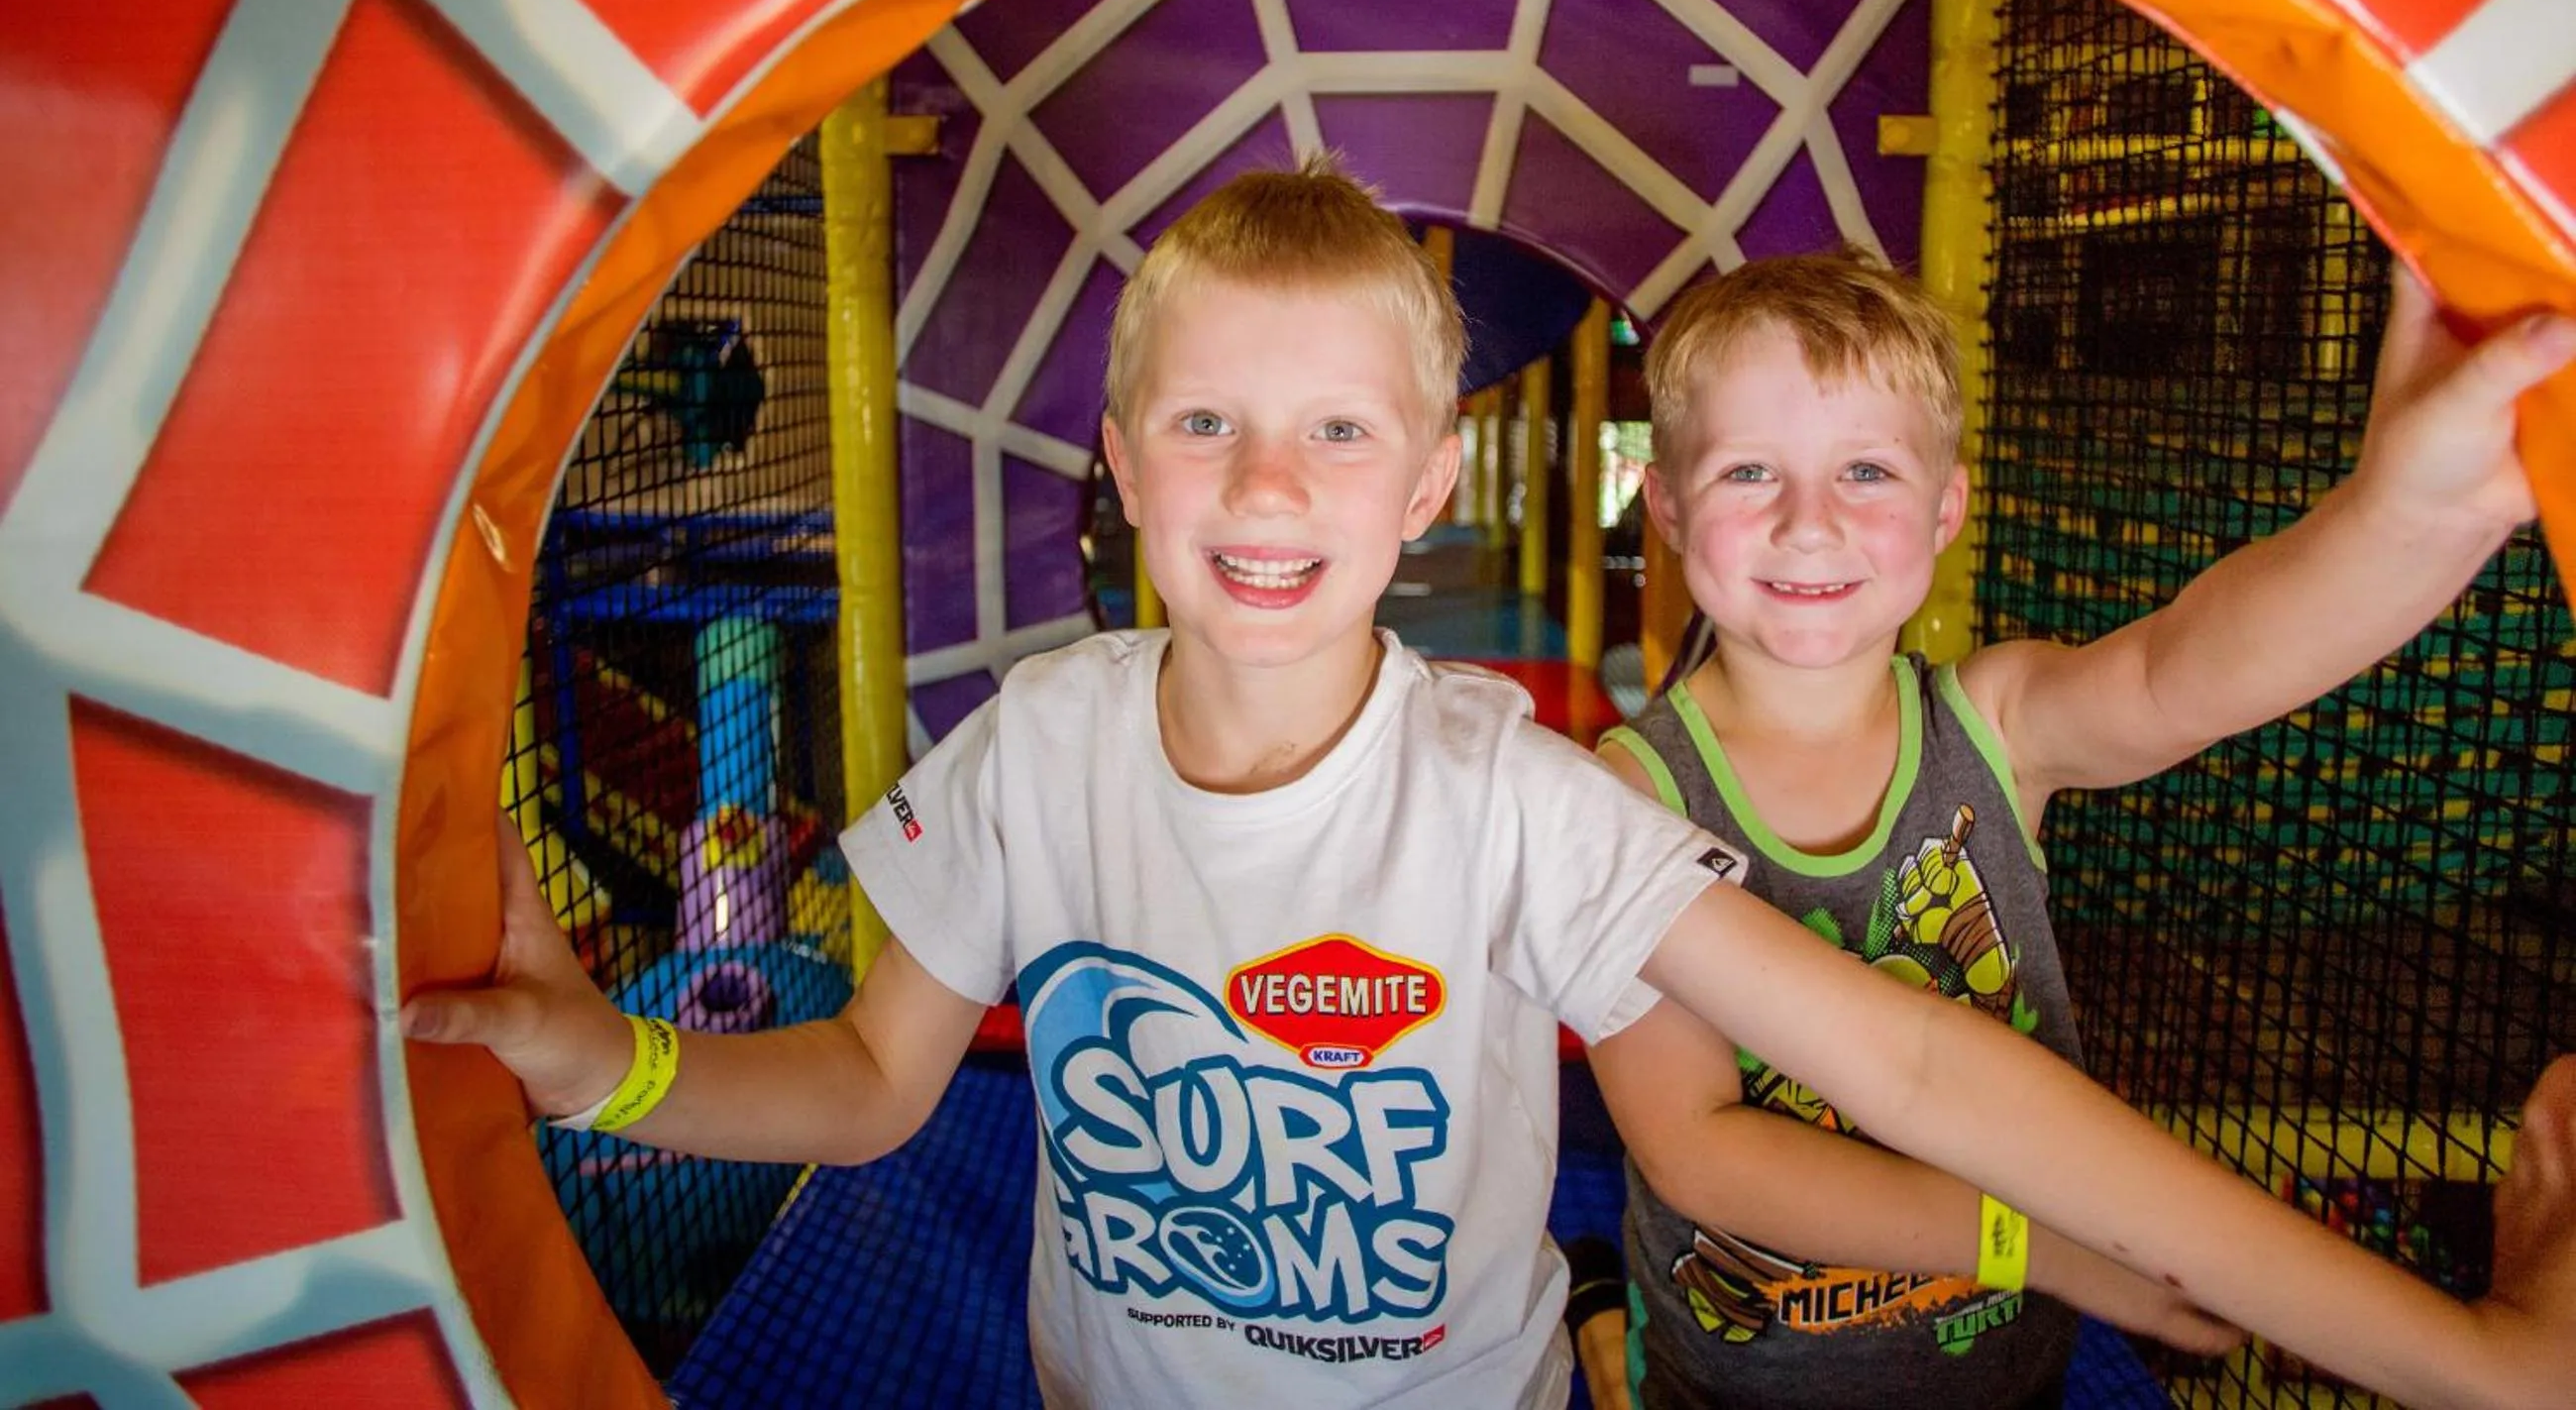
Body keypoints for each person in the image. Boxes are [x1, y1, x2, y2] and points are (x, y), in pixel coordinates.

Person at [401, 163, 2576, 1410]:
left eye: (1339, 430)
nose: (1268, 480)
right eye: (1210, 426)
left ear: (1433, 480)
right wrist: (604, 1059)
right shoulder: (1038, 752)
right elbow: (875, 1079)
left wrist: (2466, 1361)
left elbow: (1927, 1049)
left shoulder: (1528, 795)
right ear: (1121, 460)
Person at [1575, 247, 2576, 1410]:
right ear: (1664, 503)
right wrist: (2038, 1244)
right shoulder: (1636, 793)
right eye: (1750, 471)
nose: (1809, 522)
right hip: (1744, 1385)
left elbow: (2188, 668)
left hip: (1999, 1370)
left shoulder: (1993, 722)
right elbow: (1702, 1149)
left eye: (1865, 470)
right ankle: (1602, 1319)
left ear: (1944, 507)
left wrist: (2405, 513)